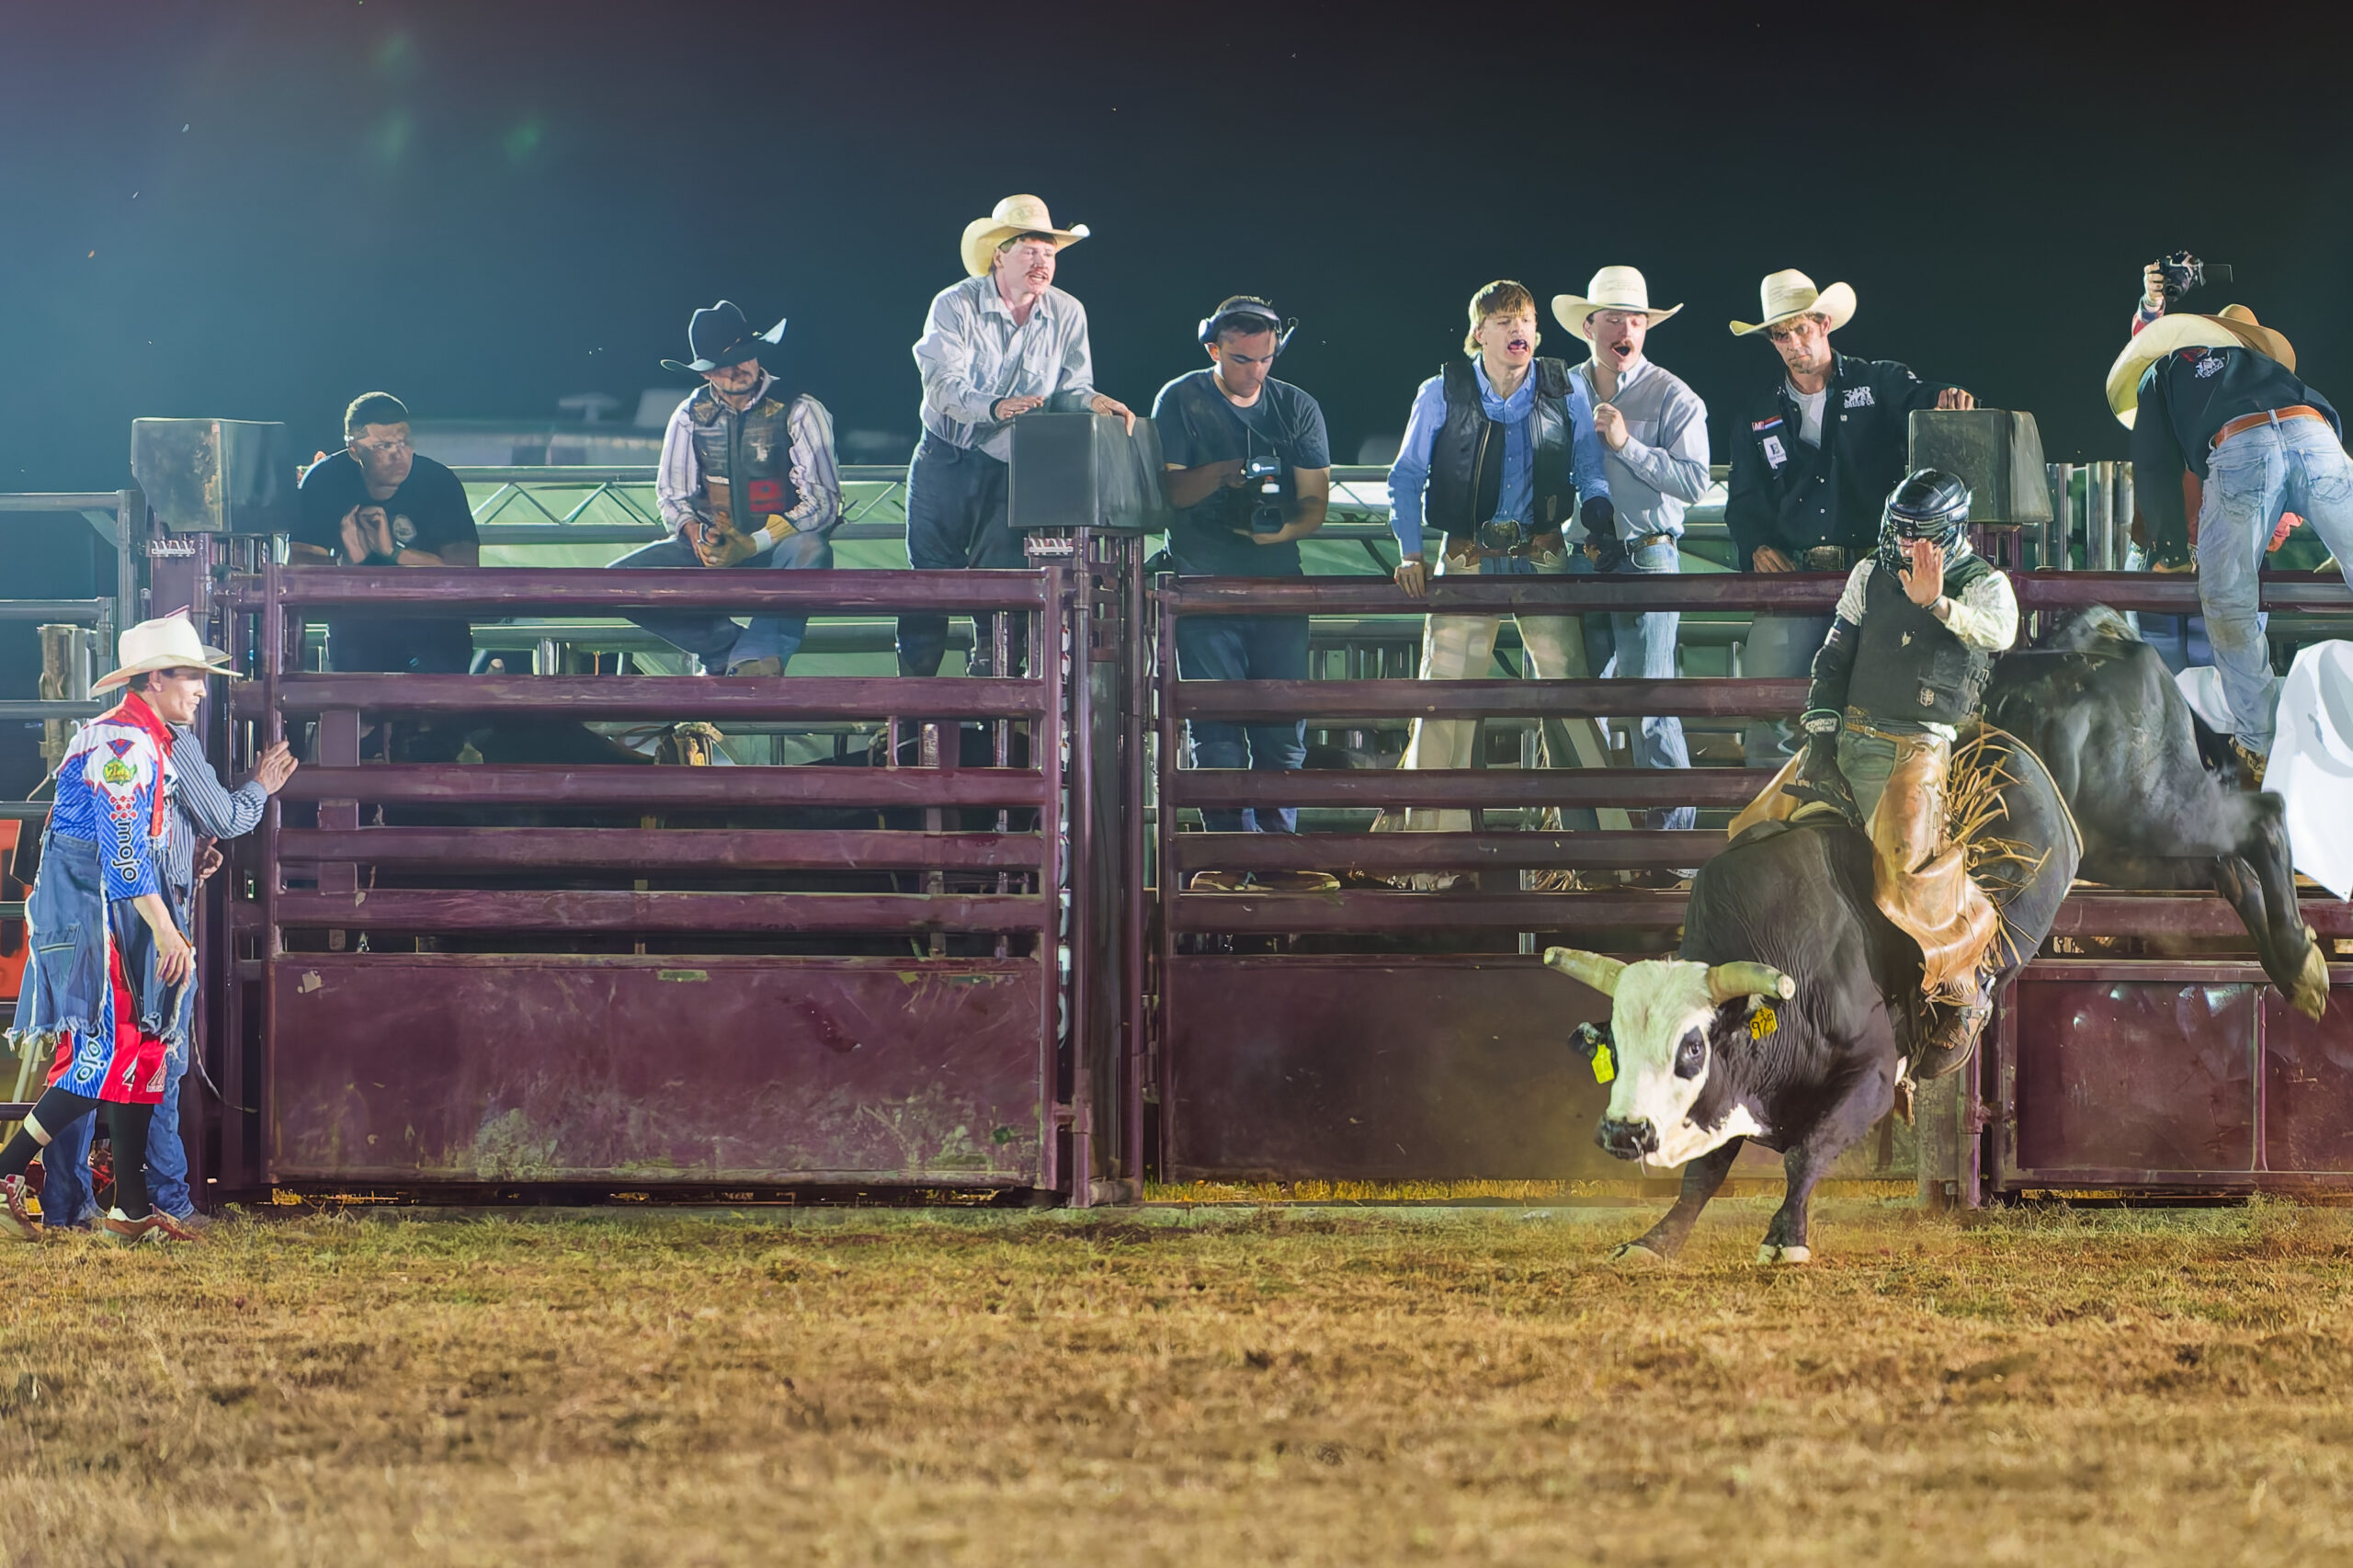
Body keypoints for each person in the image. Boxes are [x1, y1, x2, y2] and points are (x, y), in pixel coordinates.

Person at [1, 616, 297, 1244]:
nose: (200, 689)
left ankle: (130, 1210)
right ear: (155, 678)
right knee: (107, 1056)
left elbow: (134, 840)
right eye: (190, 675)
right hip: (94, 913)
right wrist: (166, 929)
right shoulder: (125, 744)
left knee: (138, 1049)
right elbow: (124, 850)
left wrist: (182, 870)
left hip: (98, 910)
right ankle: (6, 1173)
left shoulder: (138, 739)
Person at [1732, 471, 2018, 1067]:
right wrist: (1819, 734)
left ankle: (1964, 987)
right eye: (1900, 529)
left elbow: (1999, 632)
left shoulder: (1982, 585)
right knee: (1754, 829)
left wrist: (1937, 604)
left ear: (1948, 535)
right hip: (1849, 734)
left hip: (1918, 745)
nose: (1905, 542)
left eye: (1919, 534)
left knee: (1907, 875)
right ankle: (1759, 986)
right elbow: (1834, 656)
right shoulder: (1868, 574)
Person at [1379, 279, 1617, 841]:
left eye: (1527, 319)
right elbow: (1406, 475)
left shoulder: (1567, 389)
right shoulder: (1440, 390)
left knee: (1569, 692)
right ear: (1478, 333)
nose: (1518, 329)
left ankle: (1605, 849)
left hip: (1542, 549)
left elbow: (1587, 467)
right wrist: (1410, 552)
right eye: (1505, 319)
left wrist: (1600, 515)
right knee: (1447, 696)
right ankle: (1433, 852)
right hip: (1466, 552)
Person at [1722, 271, 1974, 769]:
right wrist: (1755, 544)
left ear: (1825, 323)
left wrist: (1948, 397)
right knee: (1768, 708)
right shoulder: (1755, 412)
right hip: (1794, 581)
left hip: (1872, 578)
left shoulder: (1876, 381)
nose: (1794, 344)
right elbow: (1743, 498)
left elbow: (1920, 395)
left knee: (1879, 708)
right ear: (1771, 341)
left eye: (1802, 329)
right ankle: (1776, 829)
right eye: (1781, 334)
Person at [2107, 294, 2353, 770]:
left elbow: (2155, 465)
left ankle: (2259, 744)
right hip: (2317, 433)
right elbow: (2318, 418)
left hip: (2241, 450)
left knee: (2228, 600)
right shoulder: (2258, 363)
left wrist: (2172, 551)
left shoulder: (2163, 370)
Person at [898, 195, 1134, 678]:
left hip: (1013, 464)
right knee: (929, 582)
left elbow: (1072, 386)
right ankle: (914, 702)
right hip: (949, 454)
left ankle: (996, 702)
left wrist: (1093, 402)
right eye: (1029, 250)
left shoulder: (1069, 312)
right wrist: (993, 406)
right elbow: (941, 383)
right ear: (999, 255)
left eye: (1049, 253)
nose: (1042, 262)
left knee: (1005, 585)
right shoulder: (955, 303)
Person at [1152, 297, 1336, 892]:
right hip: (1201, 582)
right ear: (1213, 349)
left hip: (1278, 579)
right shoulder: (1179, 398)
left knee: (1282, 725)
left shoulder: (1298, 405)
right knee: (1216, 727)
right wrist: (1228, 472)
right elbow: (1169, 492)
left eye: (1265, 358)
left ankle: (1275, 855)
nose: (1255, 370)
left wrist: (1281, 528)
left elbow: (1314, 502)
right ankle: (1226, 854)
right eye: (1241, 359)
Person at [1553, 267, 1710, 837]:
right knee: (1574, 705)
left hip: (1647, 553)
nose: (1627, 327)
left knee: (1651, 701)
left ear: (1647, 328)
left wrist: (1627, 446)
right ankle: (1582, 844)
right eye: (1615, 317)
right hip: (1579, 555)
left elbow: (1696, 483)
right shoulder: (1559, 388)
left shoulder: (1674, 395)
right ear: (1590, 325)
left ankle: (1668, 846)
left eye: (1637, 319)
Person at [606, 301, 843, 676]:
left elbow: (823, 502)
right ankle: (731, 650)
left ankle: (757, 656)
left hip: (779, 546)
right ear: (706, 374)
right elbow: (673, 497)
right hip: (711, 547)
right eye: (723, 364)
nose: (738, 369)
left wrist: (753, 543)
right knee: (614, 585)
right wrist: (699, 536)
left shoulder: (801, 408)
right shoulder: (687, 415)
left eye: (745, 356)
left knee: (811, 547)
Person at [290, 392, 482, 673]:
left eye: (405, 442)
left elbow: (468, 574)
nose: (398, 454)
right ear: (354, 449)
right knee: (356, 670)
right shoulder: (325, 480)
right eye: (384, 445)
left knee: (441, 689)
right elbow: (300, 572)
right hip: (359, 627)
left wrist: (392, 552)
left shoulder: (438, 481)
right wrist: (353, 567)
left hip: (436, 625)